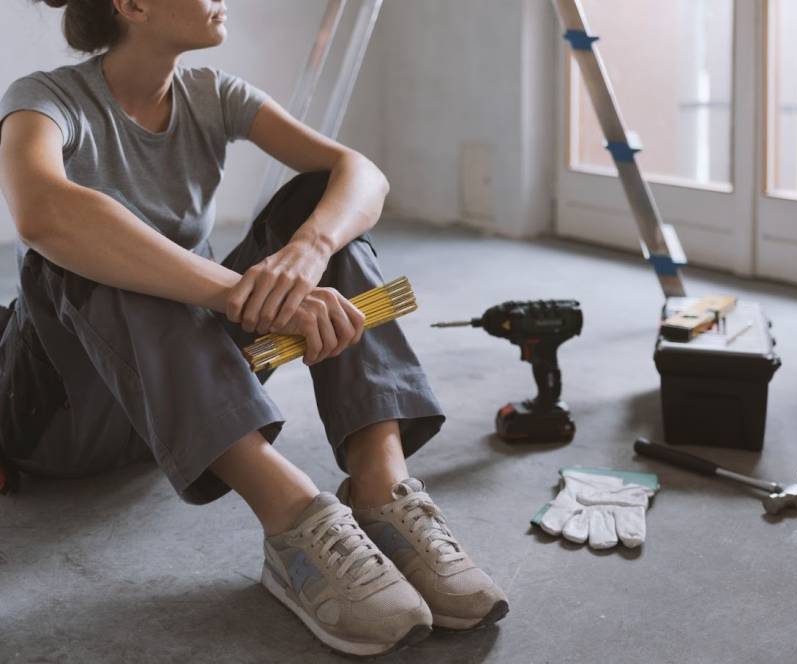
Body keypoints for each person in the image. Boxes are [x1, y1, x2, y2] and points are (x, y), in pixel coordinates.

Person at [0, 0, 508, 656]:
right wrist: (237, 293)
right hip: (62, 415)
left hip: (173, 398)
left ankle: (382, 490)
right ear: (133, 5)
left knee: (318, 201)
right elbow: (42, 212)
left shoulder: (214, 94)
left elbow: (362, 173)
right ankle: (295, 519)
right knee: (89, 248)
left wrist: (309, 250)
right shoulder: (43, 98)